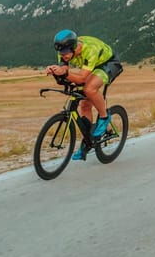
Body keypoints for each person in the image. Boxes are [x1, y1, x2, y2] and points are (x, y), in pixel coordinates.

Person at [46, 29, 124, 160]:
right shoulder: (64, 51)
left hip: (108, 63)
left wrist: (65, 74)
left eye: (64, 52)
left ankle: (105, 117)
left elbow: (81, 78)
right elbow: (64, 68)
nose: (62, 55)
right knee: (84, 105)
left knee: (89, 89)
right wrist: (56, 71)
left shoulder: (90, 49)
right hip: (91, 67)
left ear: (73, 47)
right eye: (59, 52)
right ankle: (88, 141)